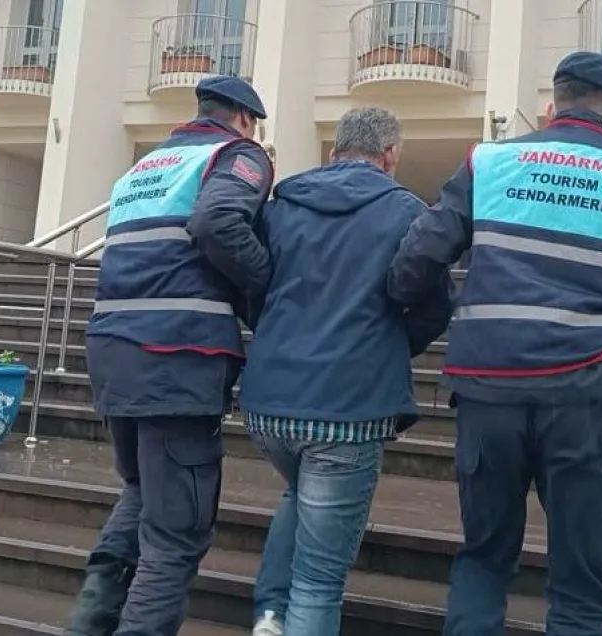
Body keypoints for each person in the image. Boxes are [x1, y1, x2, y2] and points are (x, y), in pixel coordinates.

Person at [387, 51, 602, 635]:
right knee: (581, 590)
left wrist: (410, 314)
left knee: (483, 562)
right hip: (590, 402)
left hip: (489, 394)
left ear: (552, 106)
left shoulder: (489, 164)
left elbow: (417, 257)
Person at [64, 76, 274, 636]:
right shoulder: (236, 154)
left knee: (140, 492)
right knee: (175, 534)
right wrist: (269, 293)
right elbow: (217, 221)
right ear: (244, 119)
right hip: (177, 356)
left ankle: (88, 624)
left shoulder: (145, 167)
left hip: (114, 353)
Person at [239, 107, 454, 636]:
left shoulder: (281, 205)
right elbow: (434, 306)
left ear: (334, 152)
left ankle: (271, 614)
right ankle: (280, 614)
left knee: (300, 493)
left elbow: (253, 284)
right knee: (318, 580)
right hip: (347, 408)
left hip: (269, 402)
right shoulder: (408, 213)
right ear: (390, 156)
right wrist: (388, 347)